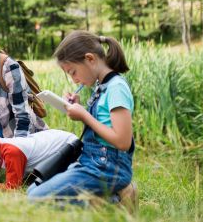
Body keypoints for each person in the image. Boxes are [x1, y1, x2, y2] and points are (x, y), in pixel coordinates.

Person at [26, 30, 137, 206]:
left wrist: (85, 115)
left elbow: (123, 142)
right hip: (91, 162)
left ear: (90, 59)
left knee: (36, 199)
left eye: (73, 72)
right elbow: (103, 123)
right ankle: (106, 198)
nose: (75, 80)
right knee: (32, 190)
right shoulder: (102, 86)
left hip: (107, 169)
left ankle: (115, 203)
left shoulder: (116, 88)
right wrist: (80, 108)